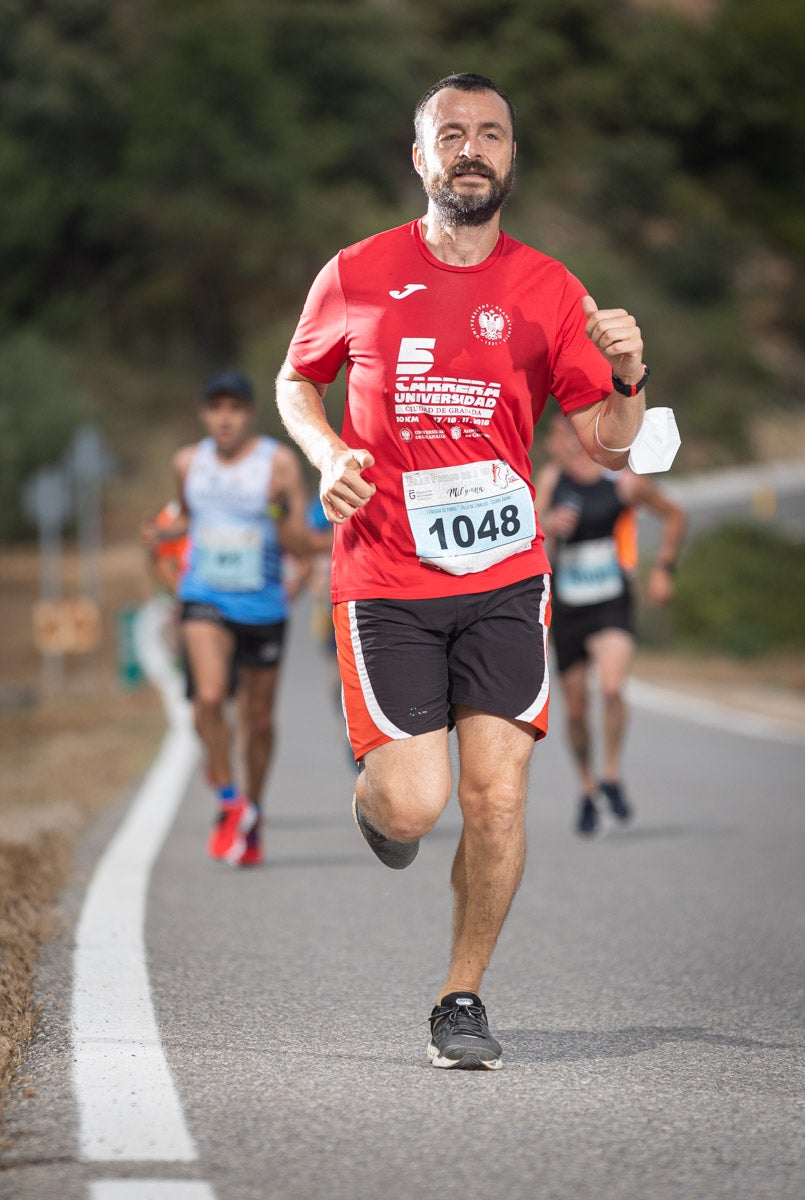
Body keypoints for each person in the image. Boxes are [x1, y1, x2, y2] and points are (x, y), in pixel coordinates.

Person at [275, 73, 650, 1069]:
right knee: (411, 804)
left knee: (494, 797)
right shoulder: (357, 271)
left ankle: (461, 995)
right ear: (420, 157)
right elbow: (293, 380)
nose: (471, 150)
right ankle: (377, 805)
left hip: (502, 577)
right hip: (386, 578)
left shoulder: (551, 290)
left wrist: (631, 373)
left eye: (490, 135)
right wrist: (326, 456)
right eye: (452, 135)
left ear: (511, 158)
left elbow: (609, 440)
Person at [144, 369, 331, 867]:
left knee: (259, 719)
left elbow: (294, 538)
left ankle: (255, 807)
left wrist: (334, 540)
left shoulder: (279, 465)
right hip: (204, 595)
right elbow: (187, 515)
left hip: (263, 603)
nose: (224, 418)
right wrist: (161, 536)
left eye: (234, 408)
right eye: (215, 408)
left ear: (248, 414)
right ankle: (228, 800)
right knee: (207, 696)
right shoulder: (188, 463)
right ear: (205, 414)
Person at [534, 413, 687, 836]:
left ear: (585, 437)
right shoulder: (550, 480)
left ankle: (612, 775)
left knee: (614, 687)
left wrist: (664, 569)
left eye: (570, 437)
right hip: (567, 609)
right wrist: (546, 525)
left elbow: (675, 515)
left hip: (611, 603)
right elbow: (525, 533)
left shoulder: (622, 481)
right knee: (578, 711)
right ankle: (587, 787)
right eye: (557, 439)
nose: (565, 446)